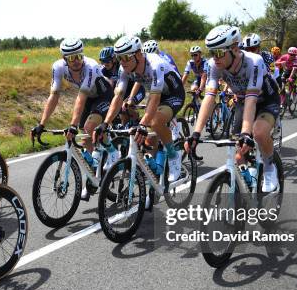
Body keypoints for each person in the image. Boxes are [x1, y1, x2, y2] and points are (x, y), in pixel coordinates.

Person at [186, 25, 281, 192]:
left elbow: (253, 100)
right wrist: (196, 133)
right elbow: (209, 98)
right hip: (244, 101)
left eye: (220, 52)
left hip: (266, 100)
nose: (215, 58)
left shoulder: (254, 62)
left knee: (258, 132)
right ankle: (249, 182)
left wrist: (246, 133)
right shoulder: (215, 65)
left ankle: (269, 167)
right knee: (238, 153)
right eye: (212, 52)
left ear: (235, 48)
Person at [32, 39, 118, 198]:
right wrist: (41, 123)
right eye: (71, 58)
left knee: (88, 128)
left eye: (79, 56)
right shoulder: (57, 67)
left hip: (103, 96)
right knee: (86, 140)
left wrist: (72, 125)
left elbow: (81, 97)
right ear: (64, 59)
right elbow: (54, 96)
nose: (76, 61)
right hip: (88, 100)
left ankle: (113, 152)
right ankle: (94, 174)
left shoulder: (90, 66)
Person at [99, 35, 185, 183]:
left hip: (173, 93)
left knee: (154, 121)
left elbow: (155, 98)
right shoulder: (124, 68)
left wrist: (143, 124)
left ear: (138, 54)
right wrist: (105, 123)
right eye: (120, 57)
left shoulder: (155, 64)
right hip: (156, 94)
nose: (123, 62)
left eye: (126, 57)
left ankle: (173, 156)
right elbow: (118, 96)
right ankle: (155, 170)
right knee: (150, 140)